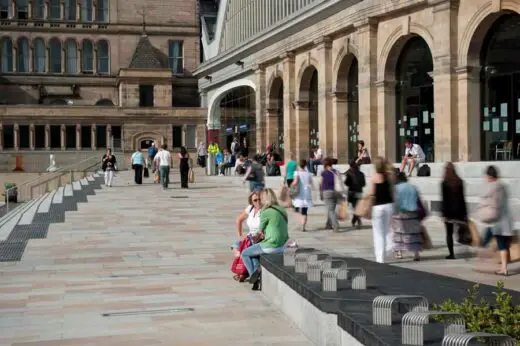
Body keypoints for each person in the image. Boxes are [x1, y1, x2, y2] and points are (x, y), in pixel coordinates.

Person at [241, 188, 288, 290]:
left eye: (261, 198)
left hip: (272, 245)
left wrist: (252, 238)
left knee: (245, 253)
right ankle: (256, 274)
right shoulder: (281, 209)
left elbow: (259, 233)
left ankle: (254, 275)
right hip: (283, 245)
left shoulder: (265, 212)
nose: (259, 201)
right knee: (253, 253)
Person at [475, 165, 515, 276]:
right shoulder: (503, 186)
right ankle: (503, 267)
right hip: (505, 220)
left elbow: (492, 203)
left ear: (490, 176)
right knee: (502, 244)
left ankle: (503, 268)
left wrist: (483, 205)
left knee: (499, 244)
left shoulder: (493, 187)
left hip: (498, 221)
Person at [232, 191, 262, 282]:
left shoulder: (264, 210)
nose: (258, 202)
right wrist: (240, 235)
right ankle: (244, 272)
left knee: (250, 254)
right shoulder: (250, 209)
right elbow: (238, 220)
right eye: (255, 200)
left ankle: (247, 274)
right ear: (251, 201)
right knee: (235, 246)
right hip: (249, 238)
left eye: (260, 199)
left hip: (258, 238)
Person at [392, 172, 421, 261]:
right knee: (413, 233)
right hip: (412, 212)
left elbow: (395, 201)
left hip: (399, 213)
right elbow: (417, 200)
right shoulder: (413, 187)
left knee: (399, 233)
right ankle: (416, 254)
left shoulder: (396, 188)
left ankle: (399, 253)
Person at [441, 162, 468, 259]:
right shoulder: (460, 181)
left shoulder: (444, 183)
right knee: (461, 231)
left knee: (449, 234)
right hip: (459, 211)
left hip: (449, 213)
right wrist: (465, 213)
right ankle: (464, 248)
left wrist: (443, 213)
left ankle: (451, 254)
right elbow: (462, 198)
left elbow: (444, 200)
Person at [370, 157, 394, 263]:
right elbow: (393, 191)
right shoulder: (389, 176)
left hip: (378, 207)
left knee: (378, 233)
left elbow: (372, 193)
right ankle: (390, 248)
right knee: (388, 229)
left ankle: (380, 258)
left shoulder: (374, 177)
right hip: (389, 206)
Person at [291, 159, 313, 232]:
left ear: (299, 165)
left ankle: (301, 222)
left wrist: (291, 185)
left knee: (296, 209)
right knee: (305, 211)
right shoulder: (309, 174)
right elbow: (310, 183)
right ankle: (303, 226)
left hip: (300, 193)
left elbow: (295, 182)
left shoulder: (297, 173)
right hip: (307, 192)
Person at [320, 157, 340, 232]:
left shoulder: (323, 172)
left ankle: (335, 225)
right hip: (335, 192)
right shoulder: (336, 172)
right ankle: (328, 224)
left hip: (326, 192)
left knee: (330, 210)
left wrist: (321, 193)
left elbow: (321, 183)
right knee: (331, 209)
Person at [345, 160, 366, 228]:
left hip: (352, 192)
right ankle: (355, 220)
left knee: (355, 208)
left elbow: (346, 183)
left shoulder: (349, 173)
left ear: (351, 166)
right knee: (357, 208)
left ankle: (357, 220)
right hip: (359, 191)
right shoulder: (361, 173)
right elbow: (364, 184)